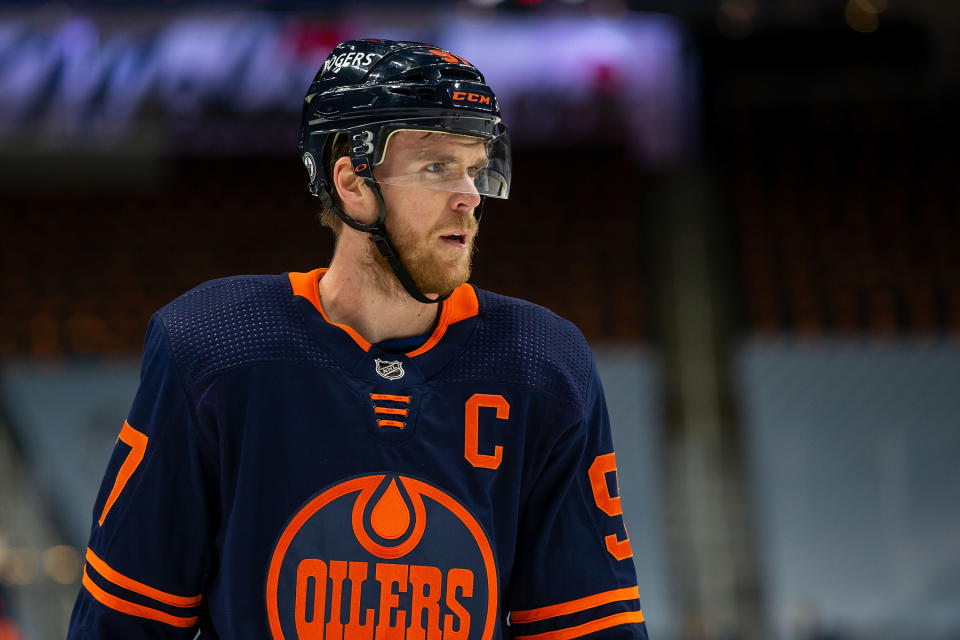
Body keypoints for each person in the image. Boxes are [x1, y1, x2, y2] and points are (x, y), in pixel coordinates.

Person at [67, 39, 648, 640]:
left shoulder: (542, 364)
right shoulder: (216, 345)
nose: (470, 196)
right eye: (436, 167)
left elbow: (588, 627)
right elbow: (125, 622)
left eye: (475, 169)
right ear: (351, 181)